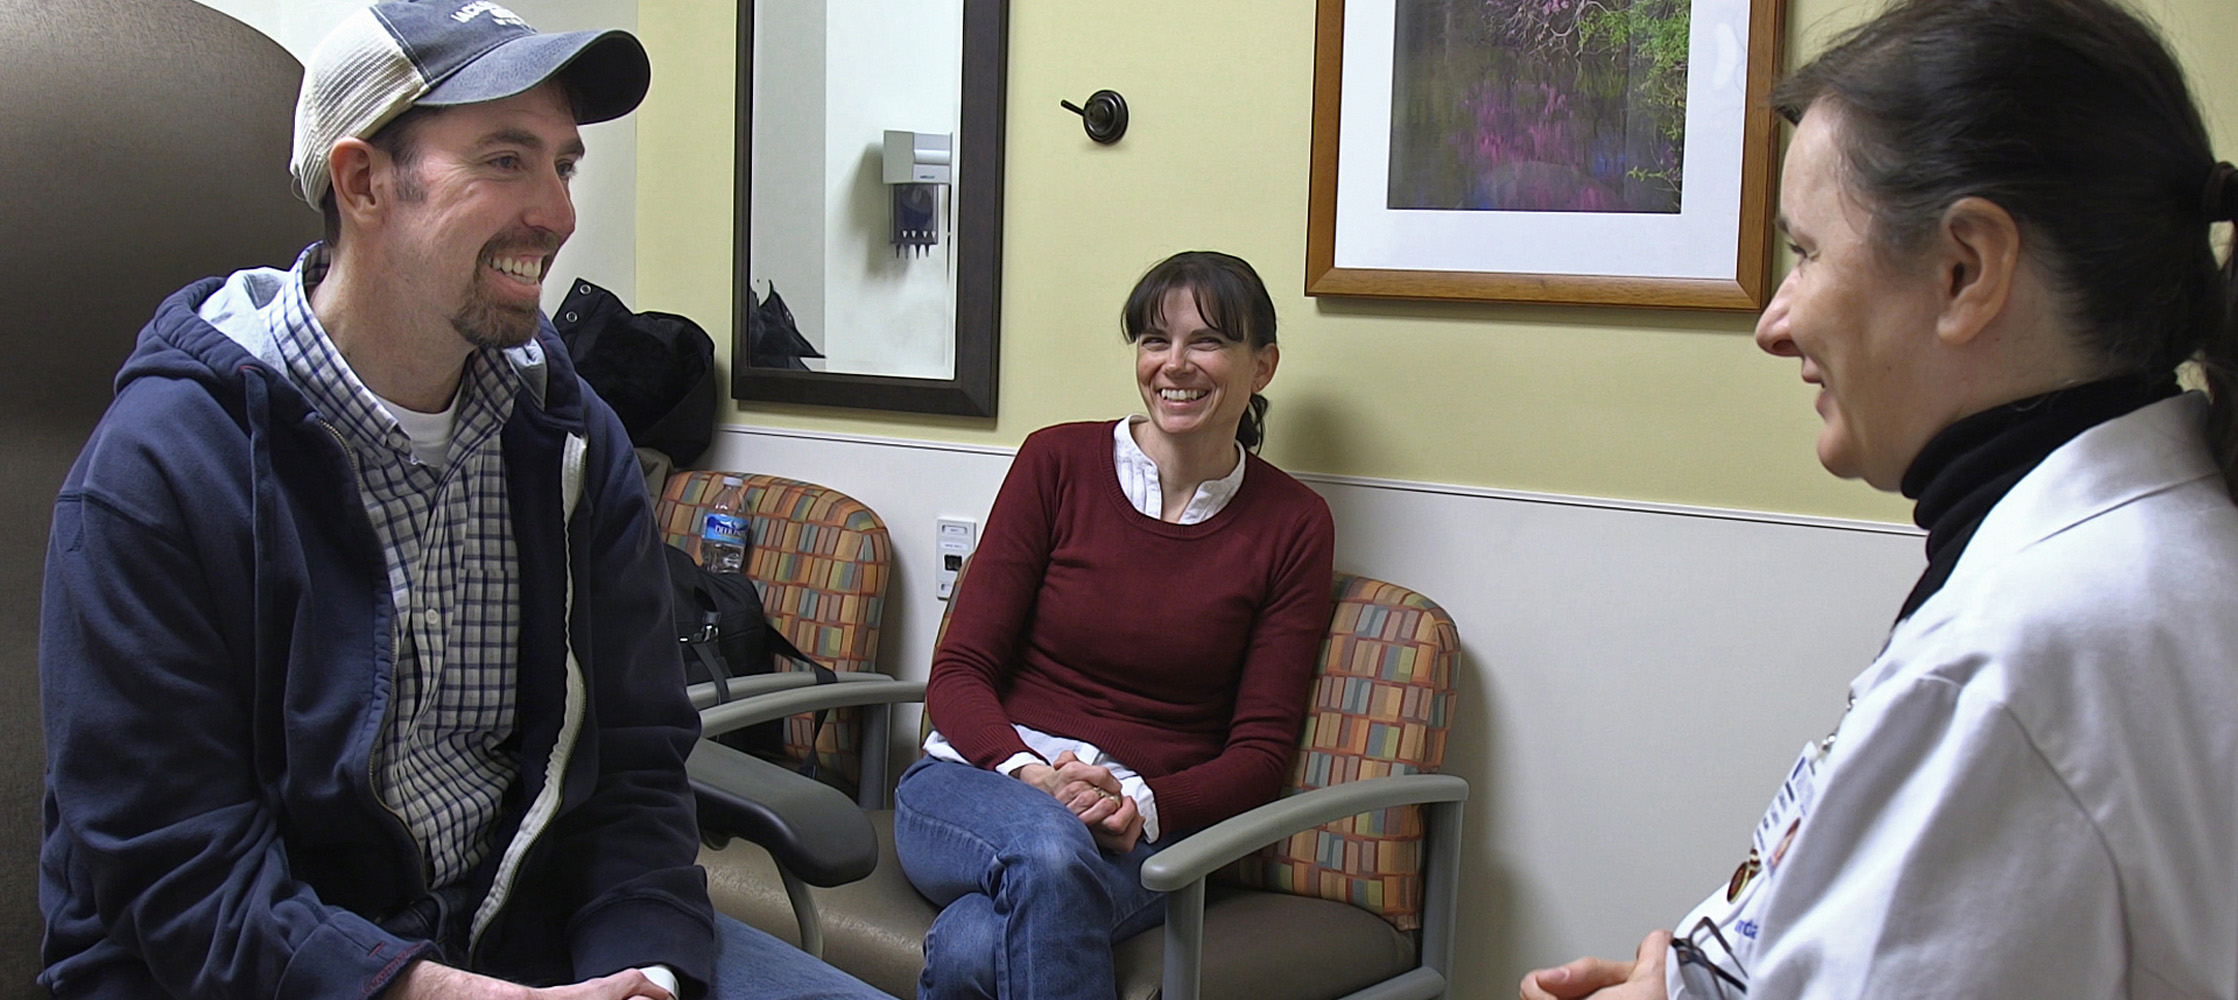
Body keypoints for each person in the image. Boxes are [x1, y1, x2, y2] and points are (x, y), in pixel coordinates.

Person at [36, 4, 886, 998]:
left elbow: (636, 767)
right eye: (503, 160)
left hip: (525, 938)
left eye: (562, 165)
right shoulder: (158, 475)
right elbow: (175, 869)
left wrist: (645, 971)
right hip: (251, 964)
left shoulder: (574, 444)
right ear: (362, 182)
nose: (560, 213)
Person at [1520, 0, 2238, 997]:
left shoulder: (2016, 667)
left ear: (1964, 269)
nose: (1776, 323)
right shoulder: (2166, 542)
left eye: (1807, 253)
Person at [895, 251, 1338, 1000]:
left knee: (974, 947)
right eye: (1154, 340)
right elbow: (959, 671)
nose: (1175, 365)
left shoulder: (1294, 523)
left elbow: (1260, 753)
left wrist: (1137, 801)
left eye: (1206, 342)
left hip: (1142, 820)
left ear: (1262, 366)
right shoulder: (1056, 461)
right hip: (978, 780)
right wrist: (1032, 775)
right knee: (1048, 847)